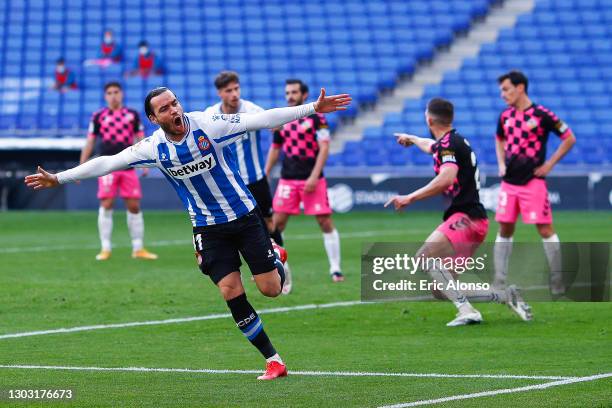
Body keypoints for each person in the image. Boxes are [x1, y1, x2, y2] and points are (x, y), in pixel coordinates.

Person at [25, 86, 351, 380]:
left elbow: (264, 120)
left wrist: (312, 108)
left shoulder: (207, 126)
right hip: (207, 228)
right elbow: (109, 161)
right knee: (229, 290)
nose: (174, 110)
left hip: (244, 216)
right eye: (165, 108)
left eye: (175, 103)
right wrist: (60, 177)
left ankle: (276, 256)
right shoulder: (153, 148)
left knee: (270, 290)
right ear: (154, 118)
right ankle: (273, 360)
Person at [386, 98, 532, 326]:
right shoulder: (451, 141)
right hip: (474, 222)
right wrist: (413, 139)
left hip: (466, 218)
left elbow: (446, 178)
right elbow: (430, 146)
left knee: (424, 257)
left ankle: (467, 310)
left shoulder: (448, 144)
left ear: (429, 119)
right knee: (441, 289)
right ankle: (504, 296)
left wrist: (410, 197)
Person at [206, 72, 293, 293]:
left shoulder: (252, 111)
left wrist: (278, 125)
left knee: (270, 225)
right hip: (231, 185)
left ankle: (282, 265)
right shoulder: (210, 116)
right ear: (220, 93)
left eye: (236, 88)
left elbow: (274, 123)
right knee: (236, 226)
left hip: (255, 179)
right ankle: (252, 267)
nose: (234, 94)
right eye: (229, 90)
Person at [493, 71, 576, 295]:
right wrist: (501, 162)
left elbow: (569, 137)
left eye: (506, 89)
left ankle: (558, 280)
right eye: (502, 90)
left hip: (533, 182)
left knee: (545, 229)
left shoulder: (542, 114)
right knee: (505, 228)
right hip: (509, 184)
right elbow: (499, 138)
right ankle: (499, 281)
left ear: (520, 88)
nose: (503, 94)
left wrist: (549, 164)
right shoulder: (504, 116)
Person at [265, 79, 344, 284]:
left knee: (324, 222)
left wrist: (313, 176)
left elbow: (324, 147)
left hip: (312, 179)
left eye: (293, 92)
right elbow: (275, 149)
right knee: (275, 224)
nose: (289, 96)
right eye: (287, 92)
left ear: (304, 95)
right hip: (288, 179)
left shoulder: (318, 117)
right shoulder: (282, 118)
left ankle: (335, 269)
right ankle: (278, 265)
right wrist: (265, 173)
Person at [80, 81, 157, 261]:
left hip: (128, 164)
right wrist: (81, 166)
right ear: (105, 96)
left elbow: (140, 138)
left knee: (134, 206)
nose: (113, 95)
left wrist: (144, 163)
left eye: (116, 92)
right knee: (107, 204)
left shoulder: (132, 115)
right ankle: (105, 247)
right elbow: (90, 141)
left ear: (121, 94)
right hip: (106, 166)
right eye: (109, 93)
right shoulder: (98, 116)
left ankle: (138, 248)